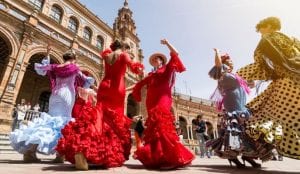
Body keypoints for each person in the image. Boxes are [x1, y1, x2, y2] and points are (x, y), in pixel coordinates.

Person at [56, 40, 144, 170]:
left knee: (98, 116)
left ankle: (82, 147)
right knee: (114, 122)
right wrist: (140, 68)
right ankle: (104, 152)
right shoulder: (124, 55)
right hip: (116, 88)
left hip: (104, 86)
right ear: (123, 48)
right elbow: (135, 69)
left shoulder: (107, 55)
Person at [9, 44, 94, 163]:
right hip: (67, 95)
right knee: (63, 122)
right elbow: (86, 80)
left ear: (64, 58)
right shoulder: (74, 67)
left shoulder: (56, 67)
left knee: (49, 120)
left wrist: (48, 54)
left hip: (54, 95)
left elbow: (42, 69)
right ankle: (60, 155)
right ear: (73, 59)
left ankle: (30, 151)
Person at [237, 17, 300, 161]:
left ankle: (254, 149)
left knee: (261, 117)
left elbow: (261, 66)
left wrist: (238, 75)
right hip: (295, 82)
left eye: (261, 30)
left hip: (286, 86)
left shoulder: (268, 40)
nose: (260, 34)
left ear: (269, 26)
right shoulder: (293, 41)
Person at [130, 39, 194, 169]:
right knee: (154, 128)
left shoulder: (168, 68)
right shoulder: (151, 75)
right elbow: (138, 85)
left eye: (157, 59)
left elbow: (176, 53)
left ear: (161, 61)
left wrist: (167, 43)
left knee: (161, 124)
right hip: (151, 101)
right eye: (153, 60)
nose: (154, 61)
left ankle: (170, 158)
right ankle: (159, 157)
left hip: (163, 99)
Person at [207, 48, 256, 168]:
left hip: (241, 104)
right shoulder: (222, 73)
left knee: (245, 128)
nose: (232, 63)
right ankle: (232, 156)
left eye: (232, 62)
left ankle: (247, 155)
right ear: (224, 63)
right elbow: (218, 64)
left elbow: (251, 84)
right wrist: (217, 52)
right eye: (229, 62)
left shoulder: (236, 75)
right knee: (234, 128)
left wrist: (252, 79)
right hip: (231, 103)